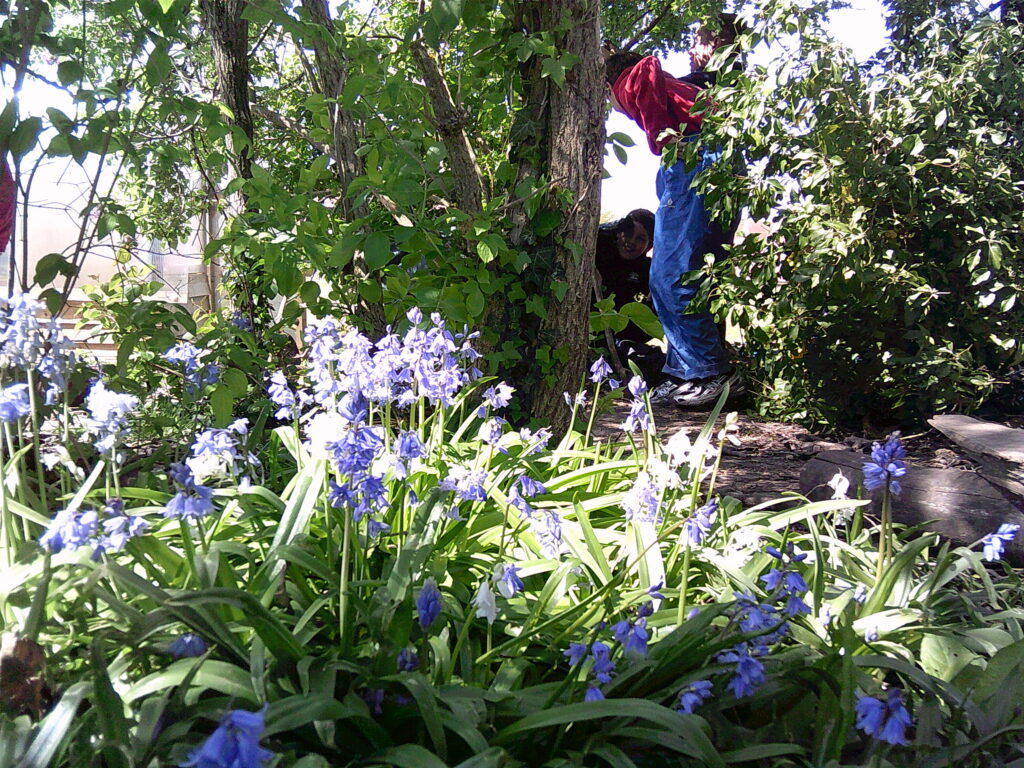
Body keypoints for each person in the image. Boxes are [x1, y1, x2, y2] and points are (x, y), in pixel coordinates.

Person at [605, 15, 746, 407]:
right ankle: (686, 372)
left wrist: (660, 138)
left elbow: (646, 70)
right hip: (713, 165)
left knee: (671, 274)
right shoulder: (702, 85)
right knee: (702, 273)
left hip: (693, 162)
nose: (690, 47)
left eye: (700, 38)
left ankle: (709, 372)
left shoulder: (631, 80)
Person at [594, 208, 666, 382]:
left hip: (619, 333)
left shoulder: (647, 270)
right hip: (592, 326)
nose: (631, 242)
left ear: (649, 245)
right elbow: (598, 231)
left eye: (640, 239)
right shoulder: (601, 248)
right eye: (627, 233)